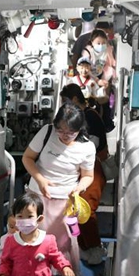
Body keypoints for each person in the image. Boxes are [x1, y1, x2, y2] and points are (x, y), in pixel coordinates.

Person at [21, 103, 95, 276]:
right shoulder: (46, 133)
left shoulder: (87, 147)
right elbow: (27, 158)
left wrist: (78, 188)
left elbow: (88, 176)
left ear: (79, 129)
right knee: (36, 248)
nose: (64, 135)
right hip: (37, 200)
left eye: (70, 132)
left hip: (66, 205)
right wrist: (41, 180)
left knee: (65, 248)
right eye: (60, 130)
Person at [60, 84, 110, 265]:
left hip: (93, 167)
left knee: (86, 209)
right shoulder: (79, 117)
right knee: (75, 210)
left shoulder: (90, 116)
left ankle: (95, 248)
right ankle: (82, 247)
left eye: (65, 101)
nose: (64, 105)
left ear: (74, 99)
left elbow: (93, 143)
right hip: (79, 167)